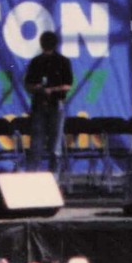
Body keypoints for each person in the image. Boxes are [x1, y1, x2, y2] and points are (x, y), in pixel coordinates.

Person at [23, 30, 75, 173]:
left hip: (56, 104)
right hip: (39, 105)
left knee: (55, 146)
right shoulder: (36, 62)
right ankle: (33, 176)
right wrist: (38, 88)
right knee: (36, 145)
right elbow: (28, 84)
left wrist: (52, 90)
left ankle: (54, 178)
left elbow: (68, 85)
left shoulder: (63, 62)